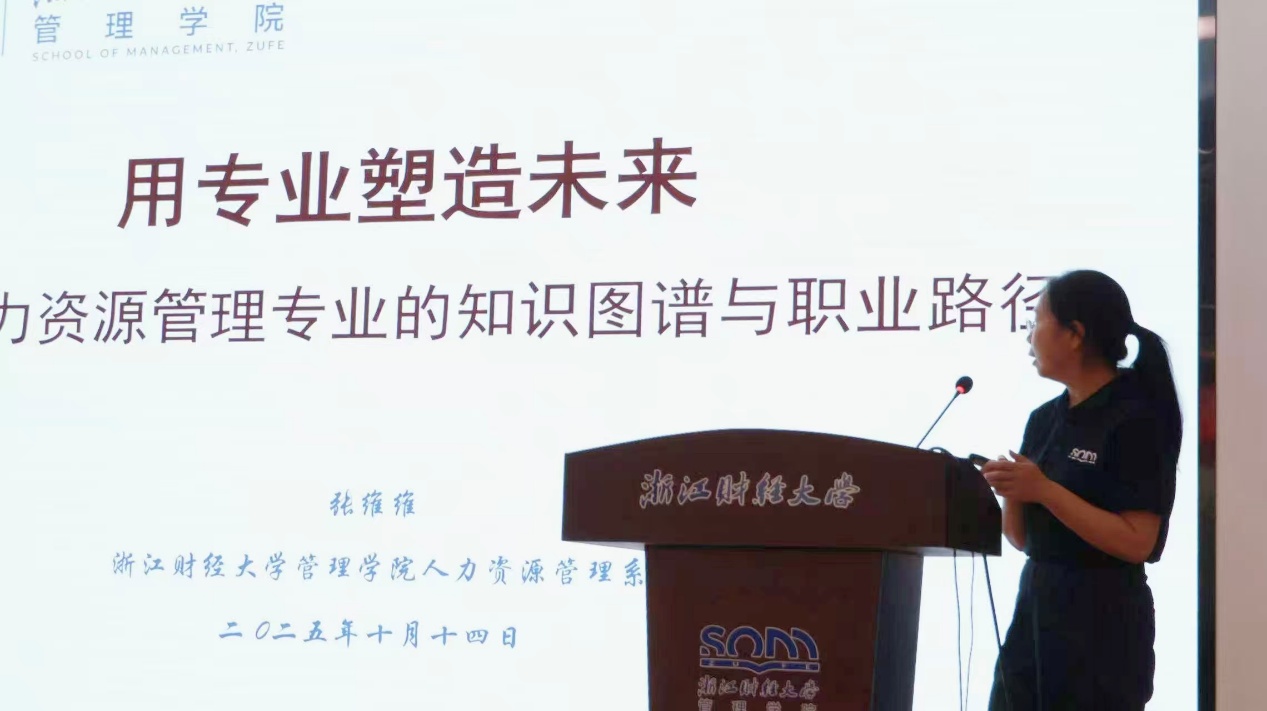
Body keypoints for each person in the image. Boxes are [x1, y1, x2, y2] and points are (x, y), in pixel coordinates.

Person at [982, 270, 1182, 711]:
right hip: (1036, 611)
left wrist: (1045, 490)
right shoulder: (1043, 418)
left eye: (1036, 321)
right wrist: (1012, 489)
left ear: (1074, 334)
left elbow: (1138, 541)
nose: (1029, 336)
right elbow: (1023, 539)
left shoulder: (1135, 419)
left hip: (1102, 624)